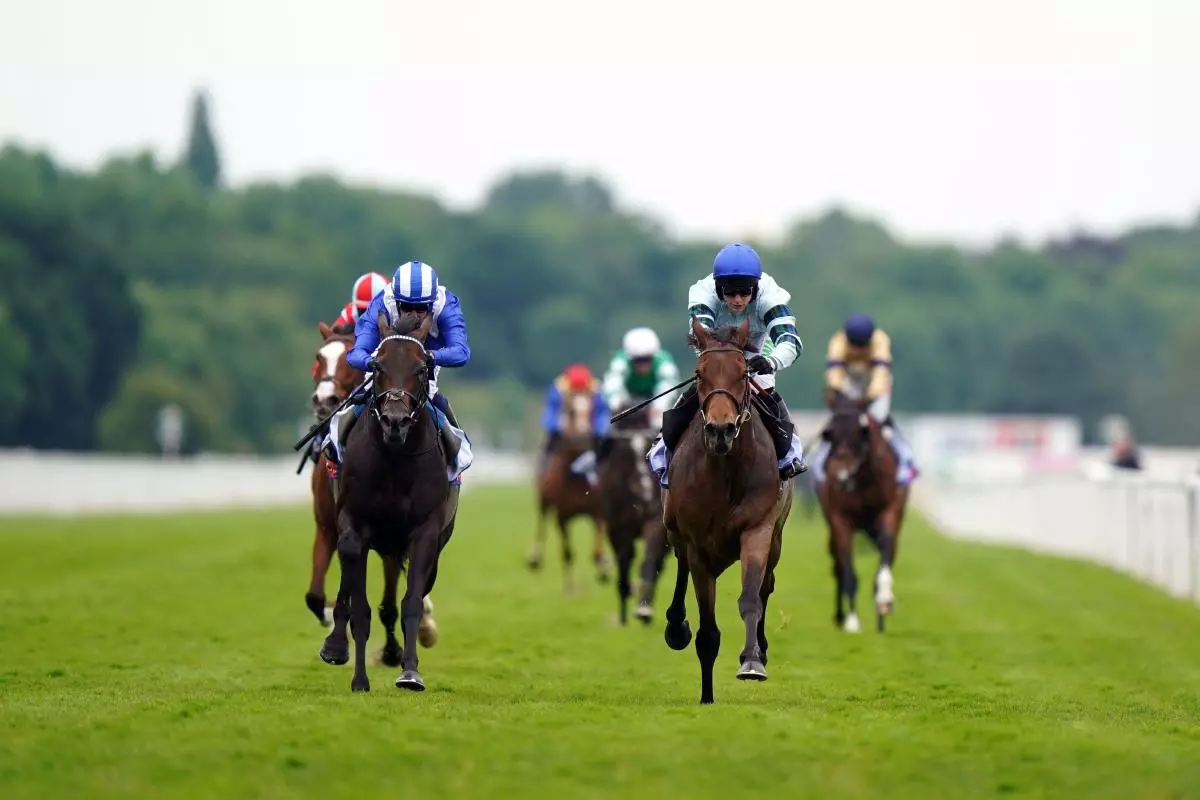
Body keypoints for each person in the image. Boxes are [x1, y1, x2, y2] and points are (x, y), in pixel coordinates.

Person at [646, 242, 808, 488]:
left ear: (756, 287)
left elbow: (790, 340)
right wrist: (721, 364)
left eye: (745, 292)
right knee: (705, 386)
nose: (738, 299)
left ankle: (790, 454)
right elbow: (700, 336)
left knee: (765, 390)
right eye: (730, 293)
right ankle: (662, 447)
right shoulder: (703, 294)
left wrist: (771, 361)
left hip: (757, 348)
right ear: (718, 288)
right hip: (716, 347)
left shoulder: (770, 297)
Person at [320, 260, 472, 482]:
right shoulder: (382, 302)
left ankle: (456, 457)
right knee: (365, 393)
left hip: (425, 358)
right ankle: (334, 447)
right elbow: (356, 353)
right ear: (396, 301)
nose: (414, 315)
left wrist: (430, 357)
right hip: (386, 359)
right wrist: (374, 363)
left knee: (432, 397)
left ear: (432, 304)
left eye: (421, 309)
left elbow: (461, 352)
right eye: (406, 307)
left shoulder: (446, 304)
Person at [816, 312, 918, 485]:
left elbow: (881, 375)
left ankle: (906, 461)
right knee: (841, 421)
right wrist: (838, 392)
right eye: (854, 344)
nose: (857, 349)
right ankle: (819, 463)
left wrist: (868, 397)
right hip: (851, 380)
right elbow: (835, 372)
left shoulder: (880, 340)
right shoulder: (838, 340)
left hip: (876, 382)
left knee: (879, 419)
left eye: (861, 345)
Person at [538, 363, 610, 487]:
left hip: (590, 433)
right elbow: (551, 412)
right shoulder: (558, 389)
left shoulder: (596, 391)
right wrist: (556, 427)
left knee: (606, 450)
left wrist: (599, 430)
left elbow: (602, 413)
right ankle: (544, 477)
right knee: (549, 447)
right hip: (564, 431)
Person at [601, 326, 681, 431]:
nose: (643, 365)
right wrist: (616, 404)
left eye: (647, 359)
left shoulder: (663, 361)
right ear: (630, 357)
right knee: (609, 424)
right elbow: (613, 385)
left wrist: (658, 406)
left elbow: (668, 385)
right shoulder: (620, 361)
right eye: (638, 360)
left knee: (659, 422)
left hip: (653, 399)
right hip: (627, 400)